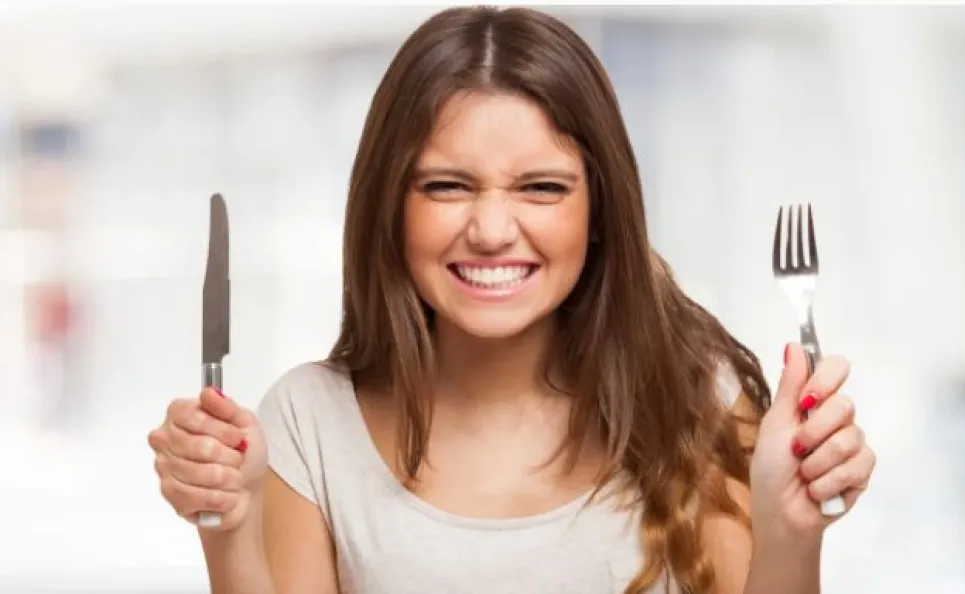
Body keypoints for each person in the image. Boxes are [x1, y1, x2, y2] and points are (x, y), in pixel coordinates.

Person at [147, 6, 876, 594]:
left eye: (542, 188)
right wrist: (228, 530)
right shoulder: (309, 424)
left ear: (600, 212)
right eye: (446, 186)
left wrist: (792, 532)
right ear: (389, 208)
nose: (492, 231)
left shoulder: (700, 402)